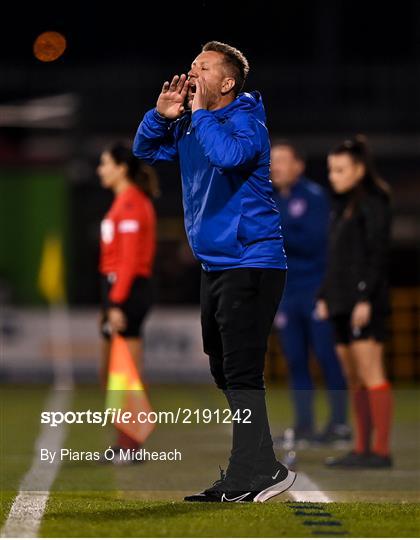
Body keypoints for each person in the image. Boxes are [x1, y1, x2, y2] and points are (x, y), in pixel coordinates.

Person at [133, 41, 296, 502]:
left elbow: (228, 156)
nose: (192, 74)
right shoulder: (193, 124)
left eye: (203, 68)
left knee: (243, 371)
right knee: (224, 368)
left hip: (253, 262)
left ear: (226, 83)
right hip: (218, 266)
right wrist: (161, 116)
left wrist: (199, 114)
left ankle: (250, 473)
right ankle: (260, 464)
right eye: (191, 66)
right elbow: (145, 152)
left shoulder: (246, 121)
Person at [316, 135, 393, 468]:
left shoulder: (373, 202)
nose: (333, 175)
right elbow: (335, 259)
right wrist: (324, 295)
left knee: (371, 373)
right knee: (354, 378)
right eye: (331, 169)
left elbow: (377, 256)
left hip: (364, 302)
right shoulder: (341, 206)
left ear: (359, 170)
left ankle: (381, 451)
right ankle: (361, 447)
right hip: (340, 301)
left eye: (340, 169)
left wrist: (364, 297)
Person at [271, 141, 350, 446]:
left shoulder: (315, 197)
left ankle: (339, 424)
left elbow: (317, 242)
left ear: (298, 165)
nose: (274, 166)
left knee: (327, 356)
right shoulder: (272, 199)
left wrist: (276, 229)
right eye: (272, 160)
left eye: (281, 160)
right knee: (295, 359)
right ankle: (304, 426)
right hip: (288, 293)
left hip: (316, 291)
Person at [97, 142, 158, 463]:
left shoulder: (133, 204)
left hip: (128, 291)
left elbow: (130, 260)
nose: (100, 170)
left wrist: (117, 303)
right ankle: (124, 439)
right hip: (116, 290)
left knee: (126, 370)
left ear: (121, 168)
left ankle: (131, 444)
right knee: (113, 370)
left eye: (104, 163)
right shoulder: (122, 202)